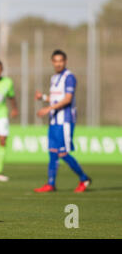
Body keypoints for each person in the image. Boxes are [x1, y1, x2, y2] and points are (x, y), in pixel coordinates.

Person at [34, 49, 91, 193]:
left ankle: (84, 178)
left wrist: (48, 109)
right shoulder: (54, 78)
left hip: (65, 120)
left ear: (65, 62)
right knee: (52, 153)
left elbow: (67, 99)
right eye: (55, 61)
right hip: (54, 121)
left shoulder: (69, 77)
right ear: (52, 62)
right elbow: (55, 98)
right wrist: (43, 98)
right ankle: (50, 184)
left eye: (61, 61)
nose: (58, 64)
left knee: (63, 153)